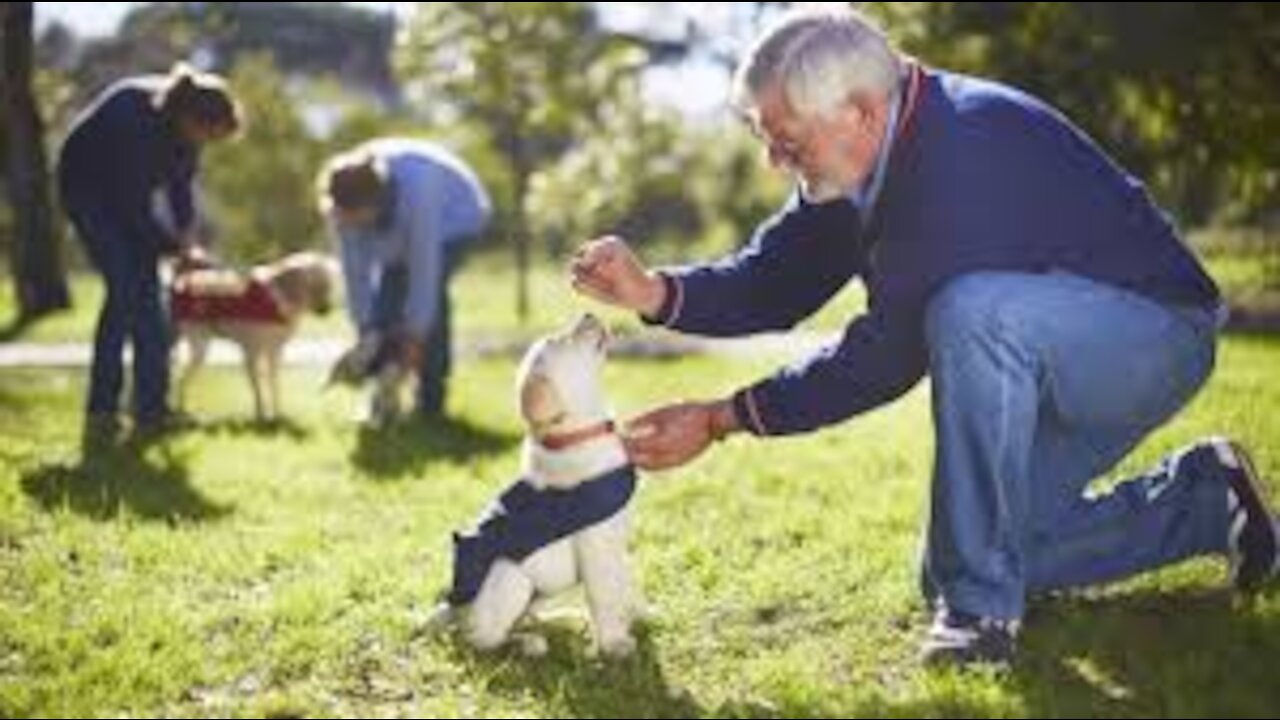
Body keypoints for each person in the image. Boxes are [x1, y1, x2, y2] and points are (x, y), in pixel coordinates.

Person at [570, 8, 1278, 667]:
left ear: (860, 112)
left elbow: (887, 357)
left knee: (972, 313)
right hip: (1051, 350)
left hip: (1151, 335)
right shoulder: (866, 153)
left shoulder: (961, 154)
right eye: (768, 141)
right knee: (958, 557)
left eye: (787, 143)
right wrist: (654, 292)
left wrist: (723, 418)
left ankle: (980, 618)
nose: (775, 164)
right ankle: (1204, 501)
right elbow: (777, 279)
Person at [57, 62, 241, 438]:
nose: (206, 144)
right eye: (207, 135)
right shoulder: (133, 119)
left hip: (127, 203)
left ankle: (151, 411)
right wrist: (174, 248)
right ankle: (102, 413)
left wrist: (187, 237)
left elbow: (181, 189)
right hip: (87, 195)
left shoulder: (188, 134)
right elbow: (130, 210)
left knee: (152, 303)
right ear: (192, 118)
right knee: (125, 291)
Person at [318, 138, 491, 420]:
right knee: (385, 309)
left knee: (429, 306)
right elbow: (355, 276)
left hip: (457, 220)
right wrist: (366, 333)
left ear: (374, 203)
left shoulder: (419, 192)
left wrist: (415, 335)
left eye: (355, 217)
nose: (349, 224)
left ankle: (431, 404)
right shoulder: (341, 208)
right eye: (345, 218)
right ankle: (383, 403)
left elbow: (424, 272)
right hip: (400, 233)